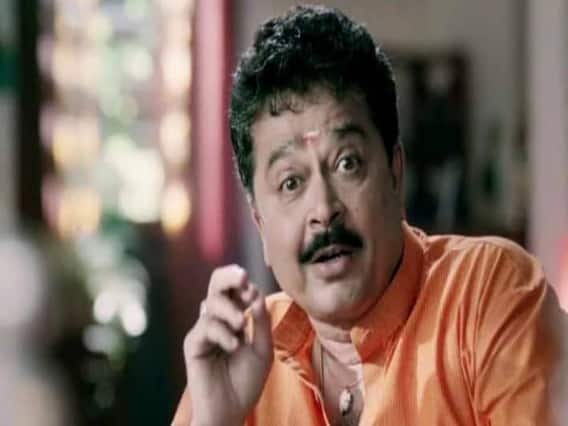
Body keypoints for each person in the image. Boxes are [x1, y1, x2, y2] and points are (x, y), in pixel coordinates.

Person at [172, 5, 567, 425]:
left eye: (347, 163)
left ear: (396, 173)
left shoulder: (487, 294)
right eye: (290, 182)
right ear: (260, 224)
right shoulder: (239, 354)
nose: (323, 210)